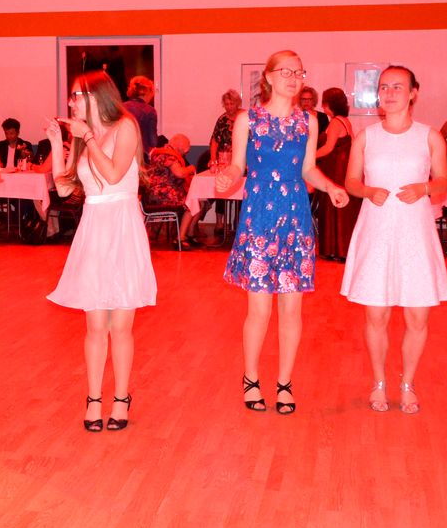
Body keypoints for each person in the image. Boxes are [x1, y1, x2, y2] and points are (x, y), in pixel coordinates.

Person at [218, 50, 349, 415]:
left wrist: (331, 187)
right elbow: (238, 166)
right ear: (269, 77)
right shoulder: (247, 119)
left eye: (298, 72)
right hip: (259, 218)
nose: (293, 78)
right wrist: (228, 177)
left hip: (295, 218)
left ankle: (285, 383)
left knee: (292, 310)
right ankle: (251, 378)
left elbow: (307, 169)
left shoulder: (309, 121)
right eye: (286, 72)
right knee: (259, 310)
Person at [46, 70, 156, 432]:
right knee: (95, 326)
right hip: (93, 228)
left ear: (97, 96)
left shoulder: (124, 127)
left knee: (120, 326)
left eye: (77, 96)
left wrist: (88, 137)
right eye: (71, 97)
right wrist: (57, 145)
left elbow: (112, 175)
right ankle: (94, 399)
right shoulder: (82, 135)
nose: (71, 103)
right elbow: (65, 189)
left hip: (122, 227)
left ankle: (121, 398)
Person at [341, 65, 447, 414]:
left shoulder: (429, 136)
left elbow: (443, 182)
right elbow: (351, 182)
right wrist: (367, 191)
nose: (389, 93)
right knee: (377, 315)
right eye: (384, 87)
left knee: (417, 317)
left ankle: (408, 383)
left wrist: (424, 188)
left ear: (413, 93)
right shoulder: (366, 137)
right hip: (376, 230)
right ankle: (378, 382)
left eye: (397, 87)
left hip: (415, 232)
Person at [314, 87, 362, 262]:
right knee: (344, 209)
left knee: (334, 207)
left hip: (335, 170)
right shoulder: (345, 121)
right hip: (343, 169)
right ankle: (343, 248)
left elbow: (328, 148)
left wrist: (309, 158)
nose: (322, 106)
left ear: (329, 105)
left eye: (324, 103)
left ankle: (336, 249)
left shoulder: (335, 122)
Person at [145, 133, 199, 246]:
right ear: (180, 148)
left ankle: (187, 234)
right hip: (161, 195)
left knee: (195, 200)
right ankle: (181, 238)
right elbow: (179, 173)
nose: (185, 154)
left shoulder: (159, 152)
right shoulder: (169, 155)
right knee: (191, 203)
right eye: (185, 151)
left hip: (154, 193)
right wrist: (191, 168)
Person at [206, 89, 243, 237]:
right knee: (222, 187)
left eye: (231, 104)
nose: (229, 107)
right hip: (224, 159)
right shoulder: (222, 120)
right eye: (226, 104)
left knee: (241, 190)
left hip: (241, 160)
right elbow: (215, 140)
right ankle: (219, 222)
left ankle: (239, 221)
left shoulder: (244, 117)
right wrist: (213, 159)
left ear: (237, 103)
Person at [124, 75, 158, 160]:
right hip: (140, 155)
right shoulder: (150, 111)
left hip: (122, 152)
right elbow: (153, 141)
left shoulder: (120, 107)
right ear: (147, 92)